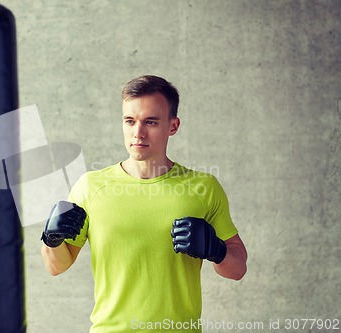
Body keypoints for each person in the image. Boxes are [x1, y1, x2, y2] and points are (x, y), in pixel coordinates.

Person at [40, 75, 247, 333]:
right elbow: (55, 266)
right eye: (130, 121)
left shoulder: (203, 187)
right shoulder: (90, 186)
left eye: (150, 121)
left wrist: (217, 251)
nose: (138, 133)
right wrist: (51, 239)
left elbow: (238, 269)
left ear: (173, 126)